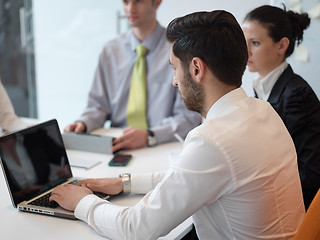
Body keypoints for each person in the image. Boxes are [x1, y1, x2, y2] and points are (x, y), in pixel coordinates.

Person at [50, 10, 305, 239]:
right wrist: (124, 182)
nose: (174, 81)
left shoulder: (213, 141)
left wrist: (82, 202)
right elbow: (191, 176)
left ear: (196, 69)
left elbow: (134, 228)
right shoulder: (263, 111)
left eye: (174, 68)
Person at [64, 0, 201, 153]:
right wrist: (83, 123)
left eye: (138, 1)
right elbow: (98, 105)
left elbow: (188, 116)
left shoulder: (178, 52)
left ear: (156, 3)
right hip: (118, 144)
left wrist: (150, 135)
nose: (130, 9)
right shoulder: (110, 51)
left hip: (161, 145)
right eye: (125, 2)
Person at [242, 5, 320, 210]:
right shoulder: (262, 85)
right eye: (244, 42)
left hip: (297, 206)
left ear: (281, 45)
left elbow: (309, 174)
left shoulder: (296, 94)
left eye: (255, 43)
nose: (246, 51)